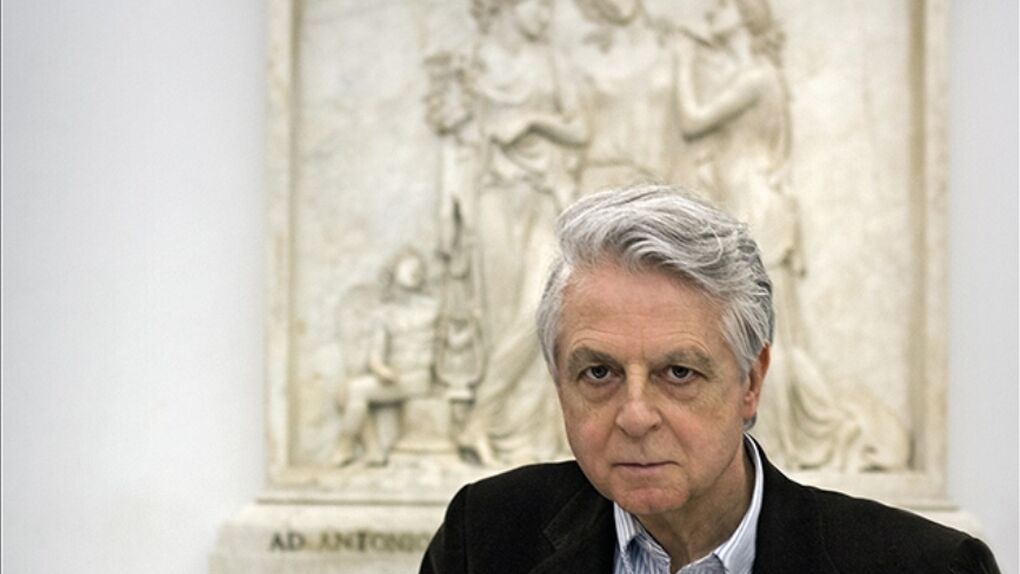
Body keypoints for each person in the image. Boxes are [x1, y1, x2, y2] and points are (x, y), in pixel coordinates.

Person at [419, 184, 999, 573]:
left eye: (679, 372)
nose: (635, 416)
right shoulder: (485, 537)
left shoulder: (925, 565)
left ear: (751, 383)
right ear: (558, 383)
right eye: (599, 372)